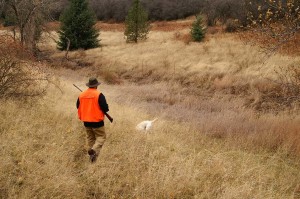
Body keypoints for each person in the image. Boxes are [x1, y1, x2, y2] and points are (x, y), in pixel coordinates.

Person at [76, 77, 109, 163]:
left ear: (89, 85)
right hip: (97, 121)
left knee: (91, 138)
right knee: (101, 137)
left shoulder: (82, 95)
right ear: (96, 86)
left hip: (86, 121)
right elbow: (105, 108)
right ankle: (94, 150)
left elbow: (77, 106)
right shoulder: (99, 94)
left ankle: (93, 158)